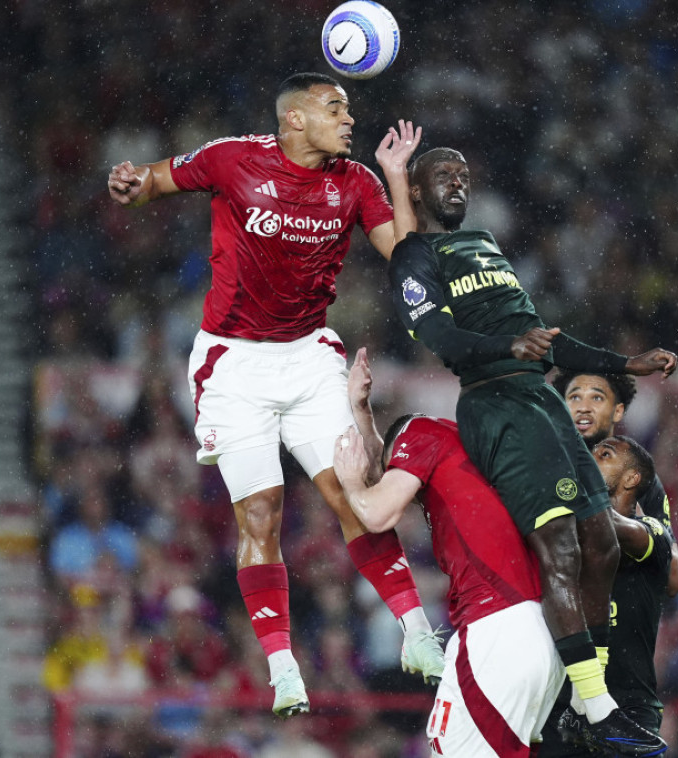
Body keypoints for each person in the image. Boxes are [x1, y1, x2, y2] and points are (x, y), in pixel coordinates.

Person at [106, 72, 442, 717]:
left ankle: (417, 633)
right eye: (334, 108)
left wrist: (397, 175)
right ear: (294, 119)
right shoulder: (233, 159)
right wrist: (131, 183)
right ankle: (283, 668)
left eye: (348, 109)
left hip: (309, 356)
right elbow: (156, 179)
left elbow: (408, 258)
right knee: (260, 515)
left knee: (356, 496)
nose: (349, 119)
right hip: (234, 365)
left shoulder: (356, 181)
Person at [383, 146, 675, 756]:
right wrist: (506, 347)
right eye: (443, 176)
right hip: (496, 405)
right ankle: (598, 708)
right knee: (560, 548)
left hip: (540, 400)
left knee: (600, 541)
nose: (458, 184)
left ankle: (588, 702)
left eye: (464, 175)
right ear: (417, 191)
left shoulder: (485, 244)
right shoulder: (413, 256)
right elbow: (438, 336)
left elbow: (548, 341)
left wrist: (626, 364)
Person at [333, 347, 566, 757]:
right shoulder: (463, 458)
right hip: (534, 628)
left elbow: (377, 509)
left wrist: (350, 483)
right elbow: (385, 472)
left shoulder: (420, 431)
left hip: (498, 627)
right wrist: (361, 411)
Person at [541, 436, 676, 756]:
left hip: (629, 705)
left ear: (632, 478)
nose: (591, 457)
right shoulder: (564, 533)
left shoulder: (653, 533)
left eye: (605, 454)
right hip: (562, 708)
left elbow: (611, 525)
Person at [552, 370, 678, 593]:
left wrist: (635, 523)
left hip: (621, 607)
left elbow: (674, 581)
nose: (584, 407)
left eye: (597, 397)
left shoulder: (640, 481)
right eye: (574, 397)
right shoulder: (545, 473)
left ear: (618, 411)